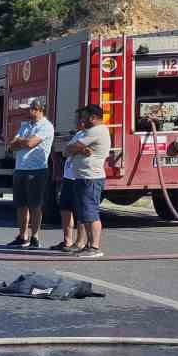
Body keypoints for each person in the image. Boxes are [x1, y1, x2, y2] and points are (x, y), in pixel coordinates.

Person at [64, 104, 110, 258]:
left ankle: (95, 247)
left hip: (91, 178)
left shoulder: (96, 131)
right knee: (84, 213)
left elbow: (72, 147)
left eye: (84, 116)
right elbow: (67, 149)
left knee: (91, 213)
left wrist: (77, 148)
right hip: (82, 177)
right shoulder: (87, 132)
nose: (81, 120)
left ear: (92, 117)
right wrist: (79, 149)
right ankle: (88, 245)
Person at [6, 102, 54, 248]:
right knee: (21, 205)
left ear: (38, 110)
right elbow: (11, 145)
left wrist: (21, 142)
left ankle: (35, 236)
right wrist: (21, 142)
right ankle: (22, 236)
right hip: (20, 169)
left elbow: (30, 144)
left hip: (36, 170)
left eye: (29, 109)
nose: (27, 112)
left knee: (35, 205)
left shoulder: (46, 126)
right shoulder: (25, 125)